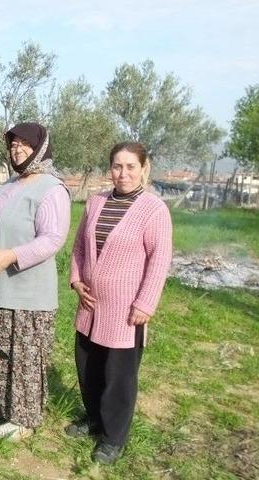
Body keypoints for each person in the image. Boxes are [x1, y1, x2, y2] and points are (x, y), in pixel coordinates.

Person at [67, 141, 173, 464]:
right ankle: (94, 418)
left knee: (119, 376)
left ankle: (113, 437)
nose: (122, 173)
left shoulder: (154, 209)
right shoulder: (97, 201)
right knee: (88, 367)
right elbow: (80, 248)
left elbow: (159, 259)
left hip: (126, 311)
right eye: (117, 166)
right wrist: (75, 280)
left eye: (130, 166)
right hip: (90, 305)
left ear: (145, 168)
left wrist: (145, 303)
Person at [0, 123, 71, 442]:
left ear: (41, 147)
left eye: (25, 144)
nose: (17, 149)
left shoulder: (51, 189)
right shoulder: (8, 185)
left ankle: (23, 417)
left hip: (21, 284)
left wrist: (12, 255)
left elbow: (53, 239)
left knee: (21, 350)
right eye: (13, 144)